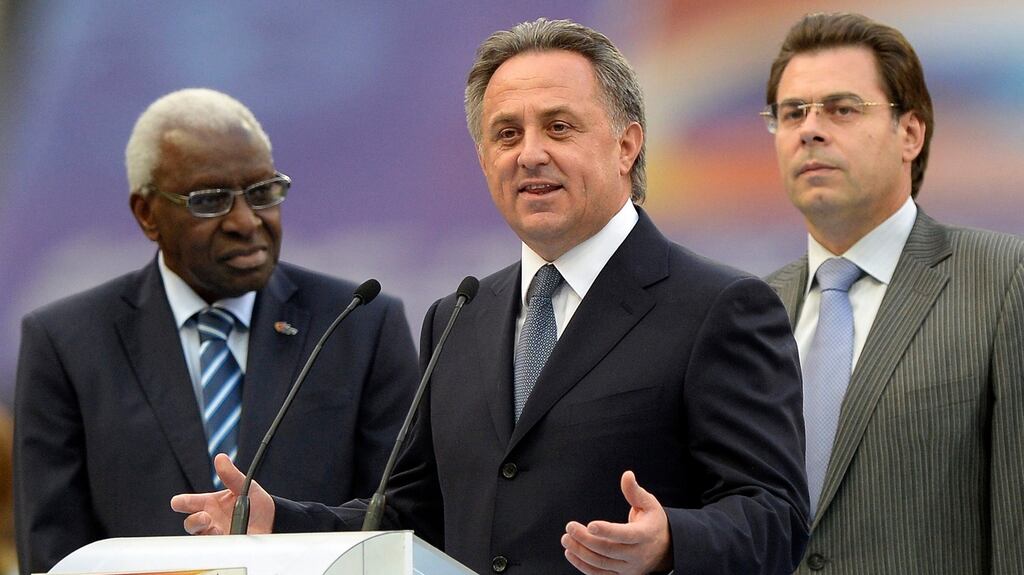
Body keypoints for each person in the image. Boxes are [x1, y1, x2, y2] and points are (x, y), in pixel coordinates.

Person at [173, 20, 809, 574]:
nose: (530, 154)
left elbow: (776, 517)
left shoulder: (718, 306)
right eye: (506, 134)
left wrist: (673, 541)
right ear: (483, 159)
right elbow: (410, 517)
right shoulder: (459, 317)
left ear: (627, 144)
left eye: (558, 127)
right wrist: (281, 521)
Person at [13, 88, 419, 574]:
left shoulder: (360, 322)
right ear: (147, 214)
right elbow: (53, 553)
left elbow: (397, 525)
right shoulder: (65, 341)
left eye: (263, 192)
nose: (247, 222)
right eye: (210, 200)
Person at [760, 12, 1024, 574]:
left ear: (911, 132)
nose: (810, 129)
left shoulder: (1004, 281)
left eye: (842, 109)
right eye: (792, 113)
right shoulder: (749, 310)